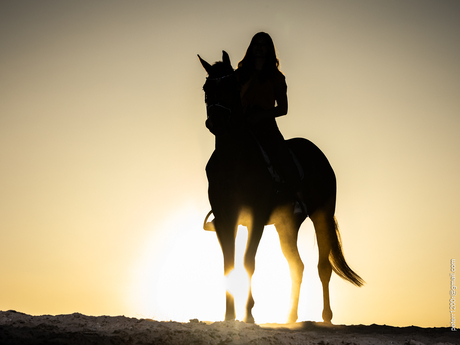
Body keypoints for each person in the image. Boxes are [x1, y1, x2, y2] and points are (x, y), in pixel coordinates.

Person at [235, 32, 307, 215]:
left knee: (281, 154)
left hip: (265, 123)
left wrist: (261, 116)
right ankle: (220, 209)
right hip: (242, 122)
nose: (259, 47)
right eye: (256, 44)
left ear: (269, 49)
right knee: (223, 154)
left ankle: (297, 199)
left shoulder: (276, 78)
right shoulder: (240, 74)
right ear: (251, 47)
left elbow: (283, 108)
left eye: (263, 44)